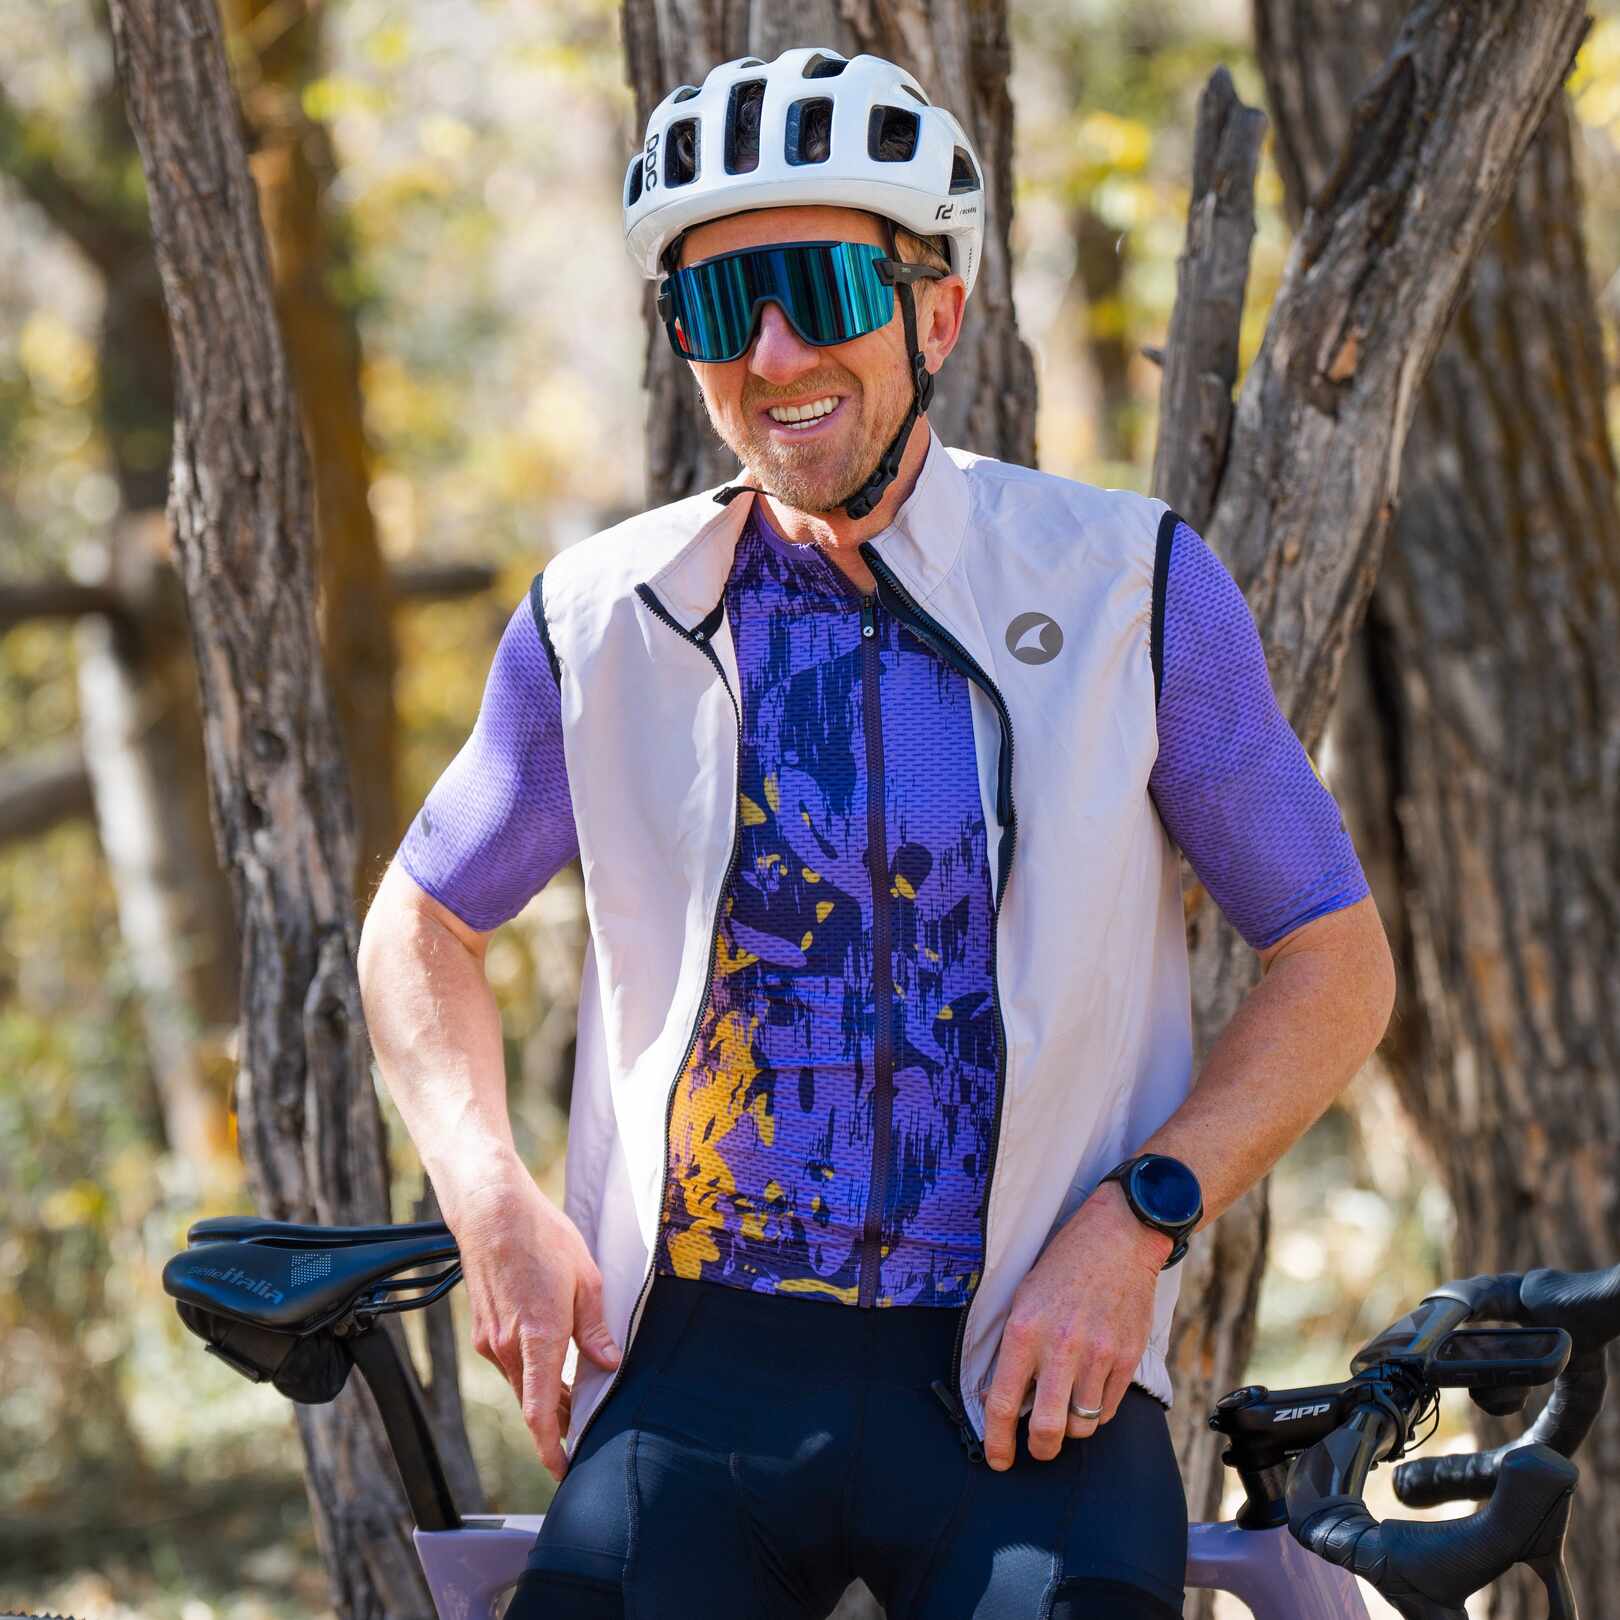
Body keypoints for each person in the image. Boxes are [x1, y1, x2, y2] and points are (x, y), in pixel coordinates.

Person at [357, 45, 1396, 1620]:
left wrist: (1140, 1222)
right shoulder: (600, 618)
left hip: (1023, 1367)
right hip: (699, 1361)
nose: (774, 352)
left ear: (937, 309)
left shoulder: (1128, 588)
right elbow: (417, 921)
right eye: (719, 306)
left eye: (822, 284)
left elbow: (1336, 960)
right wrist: (490, 1194)